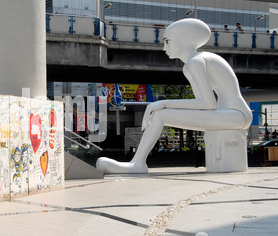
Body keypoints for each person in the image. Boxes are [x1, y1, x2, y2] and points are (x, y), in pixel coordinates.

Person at [96, 18, 252, 174]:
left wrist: (162, 104)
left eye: (168, 41)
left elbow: (208, 103)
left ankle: (138, 164)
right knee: (161, 114)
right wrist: (161, 106)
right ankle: (137, 163)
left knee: (161, 115)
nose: (164, 47)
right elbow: (204, 104)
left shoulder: (195, 62)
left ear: (182, 40)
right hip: (229, 113)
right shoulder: (194, 63)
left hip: (236, 115)